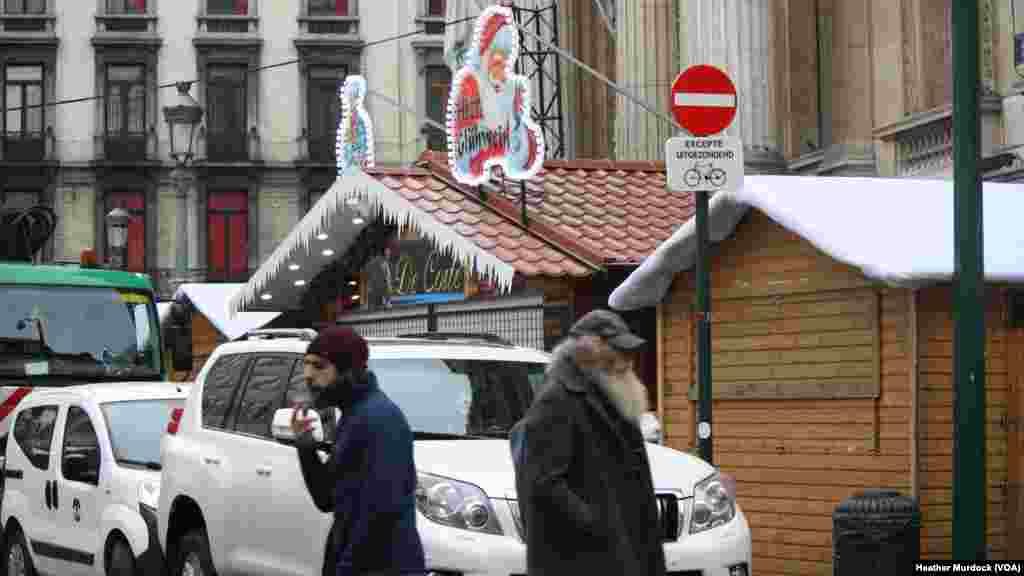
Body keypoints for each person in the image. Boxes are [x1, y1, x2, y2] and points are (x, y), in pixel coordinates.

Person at [510, 309, 666, 576]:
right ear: (590, 349)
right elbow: (542, 482)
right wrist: (597, 523)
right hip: (586, 558)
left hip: (624, 550)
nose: (628, 361)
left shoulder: (613, 393)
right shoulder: (557, 399)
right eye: (619, 351)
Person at [290, 326, 426, 576]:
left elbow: (381, 513)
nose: (308, 376)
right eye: (306, 365)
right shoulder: (353, 416)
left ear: (348, 371)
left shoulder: (379, 419)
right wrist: (306, 448)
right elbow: (327, 499)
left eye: (319, 366)